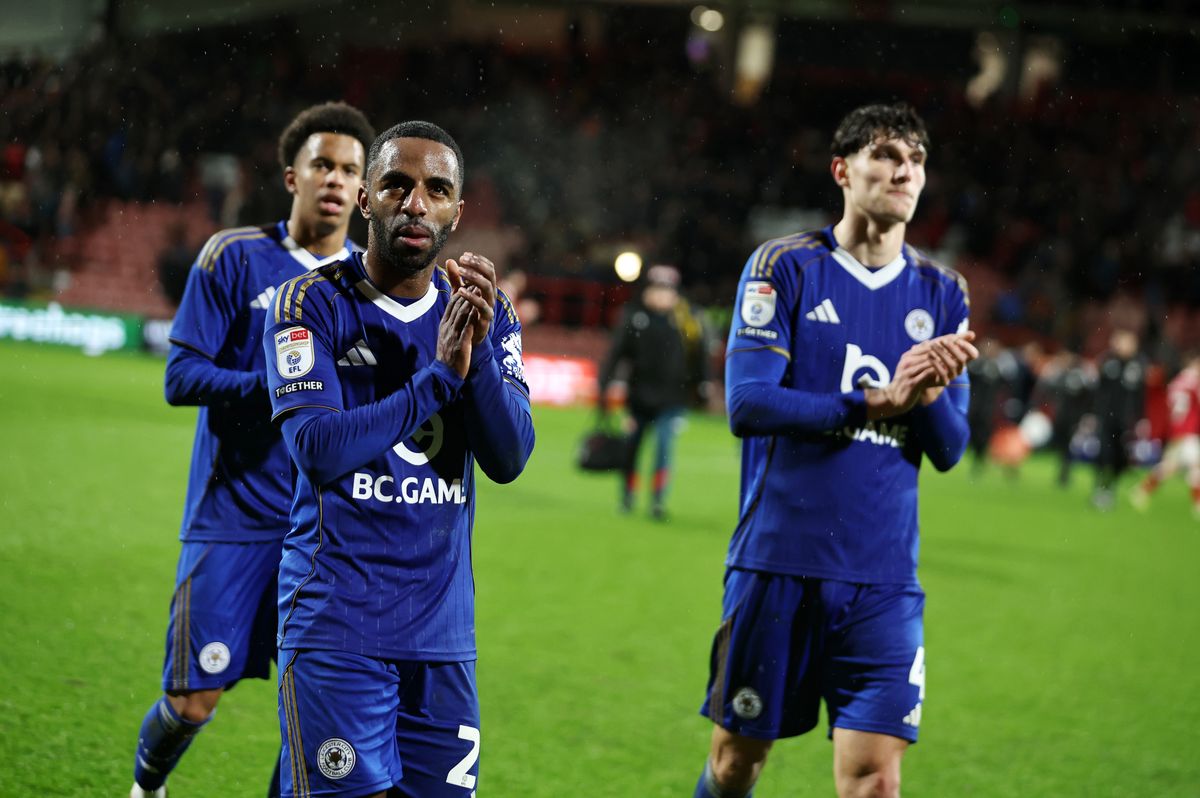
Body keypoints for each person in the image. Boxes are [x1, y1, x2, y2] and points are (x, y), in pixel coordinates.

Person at [693, 102, 977, 798]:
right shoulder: (785, 266)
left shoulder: (943, 293)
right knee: (735, 764)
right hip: (778, 563)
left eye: (916, 160)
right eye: (886, 155)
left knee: (876, 780)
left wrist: (926, 393)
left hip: (883, 579)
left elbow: (950, 449)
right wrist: (873, 402)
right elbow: (748, 404)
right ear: (842, 170)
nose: (904, 171)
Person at [262, 120, 534, 798]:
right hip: (336, 621)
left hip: (442, 638)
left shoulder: (486, 311)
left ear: (457, 212)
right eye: (396, 185)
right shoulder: (310, 302)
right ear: (366, 200)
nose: (416, 204)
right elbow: (316, 449)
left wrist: (477, 359)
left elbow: (509, 457)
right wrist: (438, 379)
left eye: (436, 190)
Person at [129, 101, 375, 798]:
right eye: (322, 164)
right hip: (232, 517)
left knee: (318, 710)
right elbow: (181, 377)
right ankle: (146, 786)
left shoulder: (370, 283)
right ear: (292, 174)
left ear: (363, 191)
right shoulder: (233, 256)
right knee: (193, 699)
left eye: (349, 170)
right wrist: (278, 389)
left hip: (323, 530)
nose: (334, 179)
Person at [597, 263, 710, 518]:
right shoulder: (634, 318)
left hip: (673, 398)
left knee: (664, 448)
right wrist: (604, 385)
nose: (661, 295)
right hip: (638, 397)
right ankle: (627, 497)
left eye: (667, 291)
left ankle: (658, 500)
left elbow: (700, 354)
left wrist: (703, 384)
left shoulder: (686, 320)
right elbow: (616, 354)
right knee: (632, 448)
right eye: (657, 290)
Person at [1131, 352, 1200, 516]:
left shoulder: (1176, 382)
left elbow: (1171, 405)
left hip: (1177, 430)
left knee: (1170, 466)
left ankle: (1142, 490)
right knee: (1196, 466)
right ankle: (1198, 504)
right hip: (1189, 431)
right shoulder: (1195, 382)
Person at [1091, 328, 1146, 510]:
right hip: (1106, 417)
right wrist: (1093, 414)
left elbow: (1140, 395)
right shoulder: (1108, 362)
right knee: (1103, 454)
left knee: (1121, 458)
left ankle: (1110, 486)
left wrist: (1141, 418)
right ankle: (1100, 488)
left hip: (1125, 421)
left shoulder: (1138, 365)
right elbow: (1098, 391)